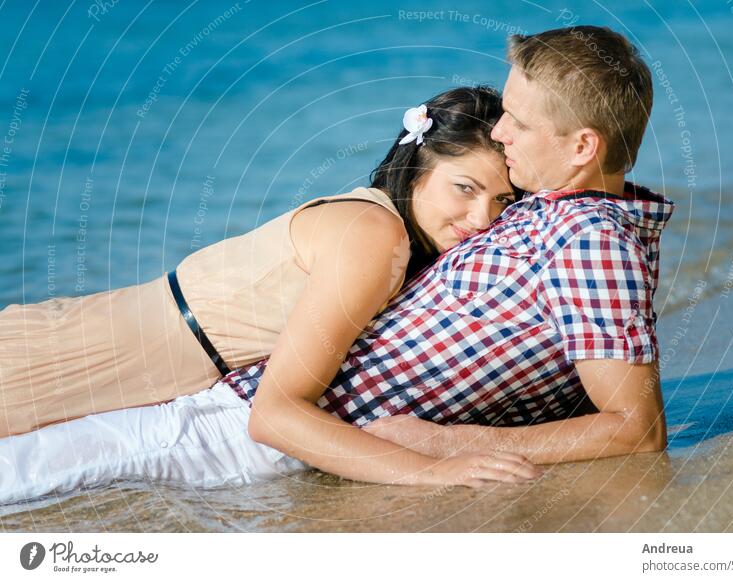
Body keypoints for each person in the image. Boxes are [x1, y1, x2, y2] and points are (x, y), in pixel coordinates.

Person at [1, 25, 673, 503]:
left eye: (518, 123)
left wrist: (439, 451)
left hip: (233, 433)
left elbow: (634, 429)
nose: (500, 132)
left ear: (583, 146)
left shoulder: (591, 238)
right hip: (232, 411)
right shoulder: (548, 215)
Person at [0, 86, 541, 487]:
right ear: (416, 168)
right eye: (464, 188)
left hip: (121, 353)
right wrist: (432, 473)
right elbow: (275, 414)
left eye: (503, 202)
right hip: (75, 357)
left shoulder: (381, 231)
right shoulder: (373, 236)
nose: (481, 218)